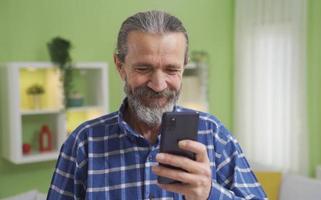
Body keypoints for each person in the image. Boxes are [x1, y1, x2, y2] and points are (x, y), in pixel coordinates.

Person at [47, 10, 267, 200]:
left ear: (184, 66)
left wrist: (209, 194)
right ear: (120, 66)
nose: (159, 85)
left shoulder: (214, 135)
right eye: (143, 69)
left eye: (172, 70)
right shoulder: (83, 143)